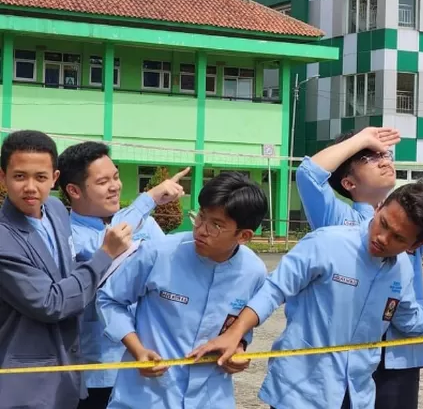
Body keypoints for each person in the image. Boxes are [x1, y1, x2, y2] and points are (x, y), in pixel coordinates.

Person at [188, 181, 423, 409]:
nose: (382, 238)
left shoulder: (403, 271)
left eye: (398, 237)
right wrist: (235, 333)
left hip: (356, 395)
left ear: (415, 244)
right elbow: (274, 288)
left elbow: (412, 320)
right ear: (380, 207)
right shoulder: (327, 244)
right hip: (301, 393)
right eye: (383, 223)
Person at [295, 126, 423, 408]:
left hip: (399, 357)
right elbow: (309, 175)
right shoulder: (337, 219)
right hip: (345, 355)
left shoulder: (412, 224)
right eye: (371, 158)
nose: (385, 161)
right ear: (349, 183)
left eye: (386, 155)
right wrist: (361, 139)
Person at [96, 171, 268, 408]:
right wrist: (138, 350)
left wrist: (239, 349)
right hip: (146, 397)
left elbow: (238, 325)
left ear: (244, 236)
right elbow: (109, 300)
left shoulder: (253, 271)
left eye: (216, 225)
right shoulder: (159, 253)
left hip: (210, 399)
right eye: (201, 217)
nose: (202, 230)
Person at [0, 130, 132, 409]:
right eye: (19, 176)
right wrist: (105, 255)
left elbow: (66, 270)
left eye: (41, 177)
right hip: (25, 383)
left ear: (55, 178)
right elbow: (51, 303)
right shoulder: (4, 238)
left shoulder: (56, 210)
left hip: (69, 374)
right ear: (3, 177)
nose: (31, 188)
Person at [56, 141, 192, 409]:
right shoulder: (66, 235)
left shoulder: (144, 223)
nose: (115, 186)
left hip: (148, 361)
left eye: (116, 177)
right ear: (73, 190)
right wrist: (149, 199)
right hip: (98, 371)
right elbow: (101, 247)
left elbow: (171, 272)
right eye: (103, 181)